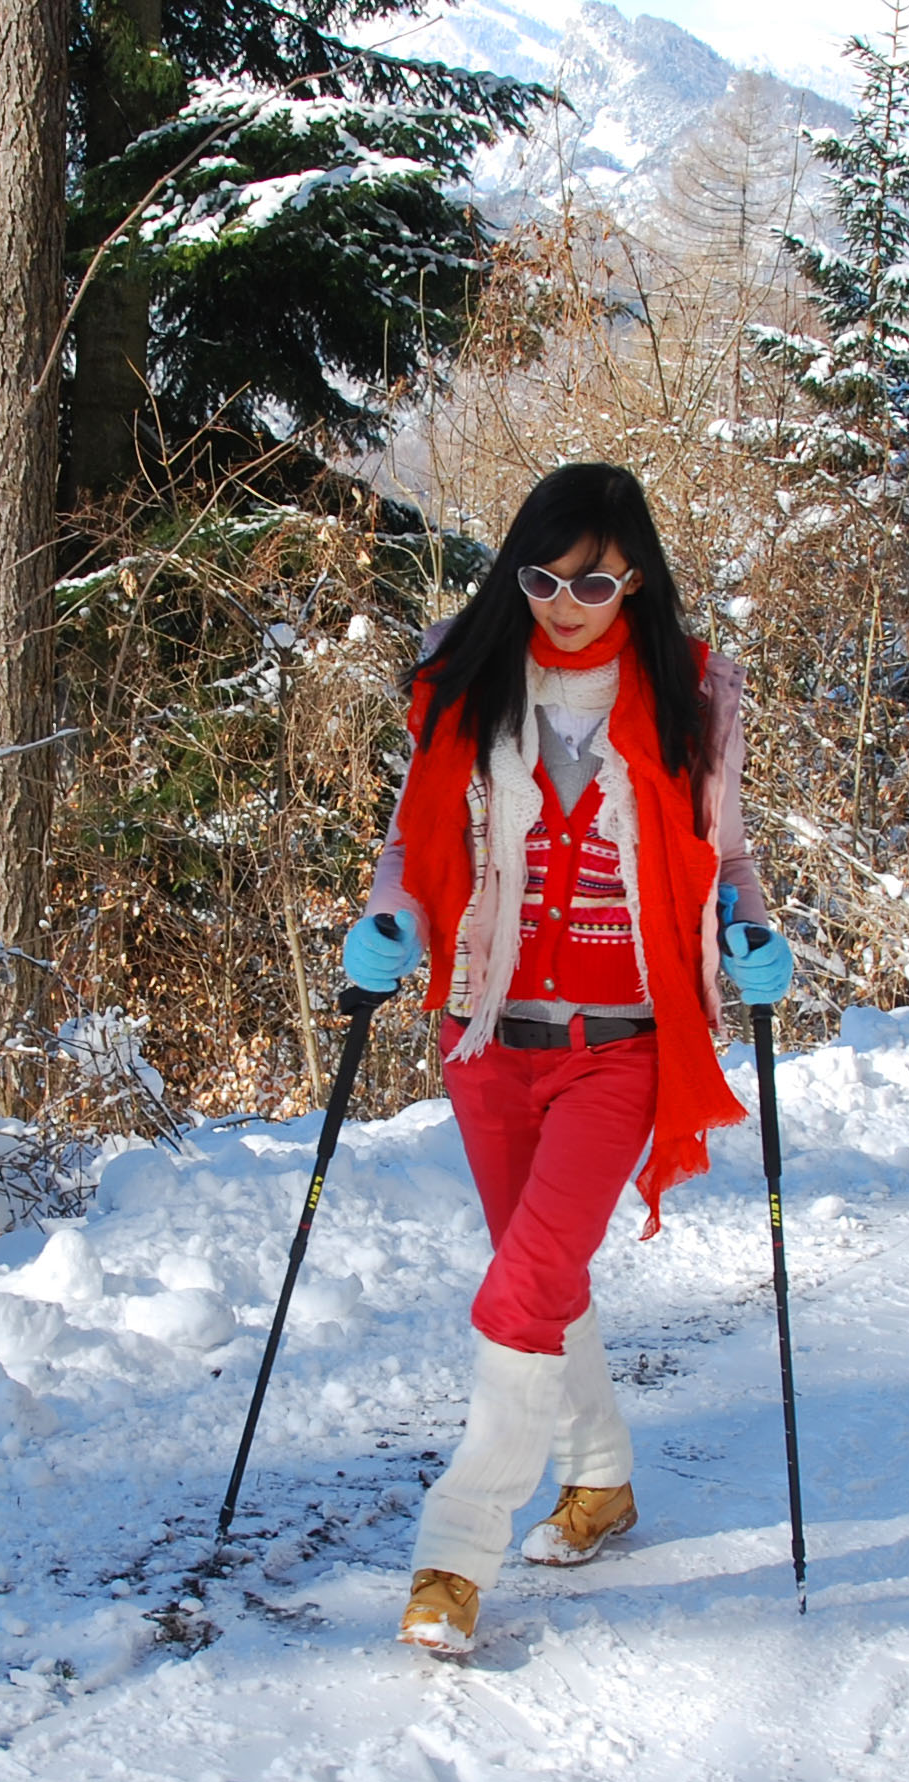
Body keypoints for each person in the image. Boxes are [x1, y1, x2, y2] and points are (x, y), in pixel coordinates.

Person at [343, 462, 794, 1654]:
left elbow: (729, 861)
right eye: (539, 575)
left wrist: (755, 936)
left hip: (624, 1047)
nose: (562, 600)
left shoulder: (689, 696)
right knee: (545, 1282)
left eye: (591, 579)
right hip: (488, 1040)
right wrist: (393, 918)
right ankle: (601, 1483)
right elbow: (413, 840)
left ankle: (454, 1552)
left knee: (521, 1287)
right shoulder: (466, 677)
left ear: (634, 576)